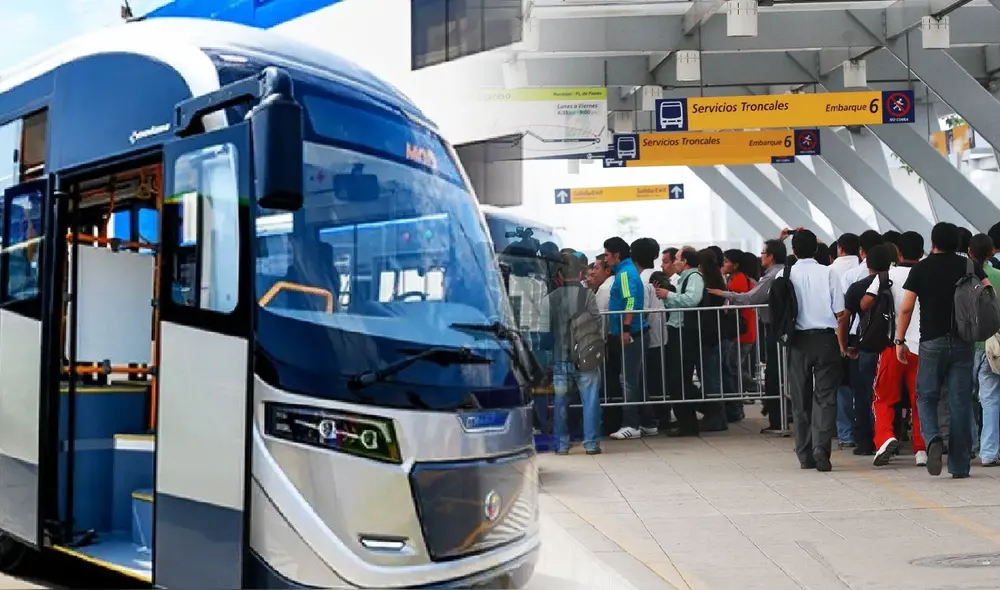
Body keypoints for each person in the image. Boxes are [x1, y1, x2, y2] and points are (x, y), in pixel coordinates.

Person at [896, 222, 988, 478]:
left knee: (926, 396)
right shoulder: (969, 266)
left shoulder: (922, 268)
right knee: (960, 402)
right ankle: (959, 466)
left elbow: (906, 308)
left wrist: (900, 341)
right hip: (963, 342)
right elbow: (987, 291)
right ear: (958, 244)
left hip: (931, 342)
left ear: (932, 243)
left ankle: (933, 439)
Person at [785, 230, 848, 472]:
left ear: (793, 251)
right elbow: (840, 312)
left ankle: (804, 454)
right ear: (816, 250)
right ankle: (821, 448)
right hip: (825, 341)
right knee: (825, 397)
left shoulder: (785, 274)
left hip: (798, 342)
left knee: (800, 399)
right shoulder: (829, 272)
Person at [710, 239, 787, 434]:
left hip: (763, 330)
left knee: (769, 374)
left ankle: (777, 417)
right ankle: (776, 410)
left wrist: (725, 294)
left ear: (771, 256)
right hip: (772, 329)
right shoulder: (782, 271)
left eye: (763, 253)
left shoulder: (770, 276)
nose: (761, 256)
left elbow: (751, 298)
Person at [863, 233, 927, 467]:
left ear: (898, 253)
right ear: (922, 252)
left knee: (883, 397)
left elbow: (865, 302)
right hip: (923, 347)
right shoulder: (927, 273)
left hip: (893, 345)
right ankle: (921, 449)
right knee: (920, 400)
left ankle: (884, 438)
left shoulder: (886, 276)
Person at [546, 252, 603, 455]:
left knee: (561, 402)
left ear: (560, 274)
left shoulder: (551, 298)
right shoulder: (587, 295)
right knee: (590, 400)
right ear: (581, 273)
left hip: (560, 357)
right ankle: (591, 444)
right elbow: (597, 321)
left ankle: (561, 445)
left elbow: (546, 328)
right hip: (586, 358)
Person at [604, 237, 654, 440]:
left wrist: (625, 328)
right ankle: (649, 423)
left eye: (607, 254)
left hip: (631, 333)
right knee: (637, 380)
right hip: (635, 332)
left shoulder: (625, 273)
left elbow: (631, 300)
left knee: (629, 382)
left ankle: (631, 424)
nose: (605, 258)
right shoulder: (627, 271)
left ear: (616, 255)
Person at [968, 233, 1000, 467]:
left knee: (964, 397)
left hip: (965, 345)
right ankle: (989, 452)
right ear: (992, 253)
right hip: (993, 345)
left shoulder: (962, 279)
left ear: (970, 252)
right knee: (990, 399)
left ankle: (968, 446)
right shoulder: (998, 276)